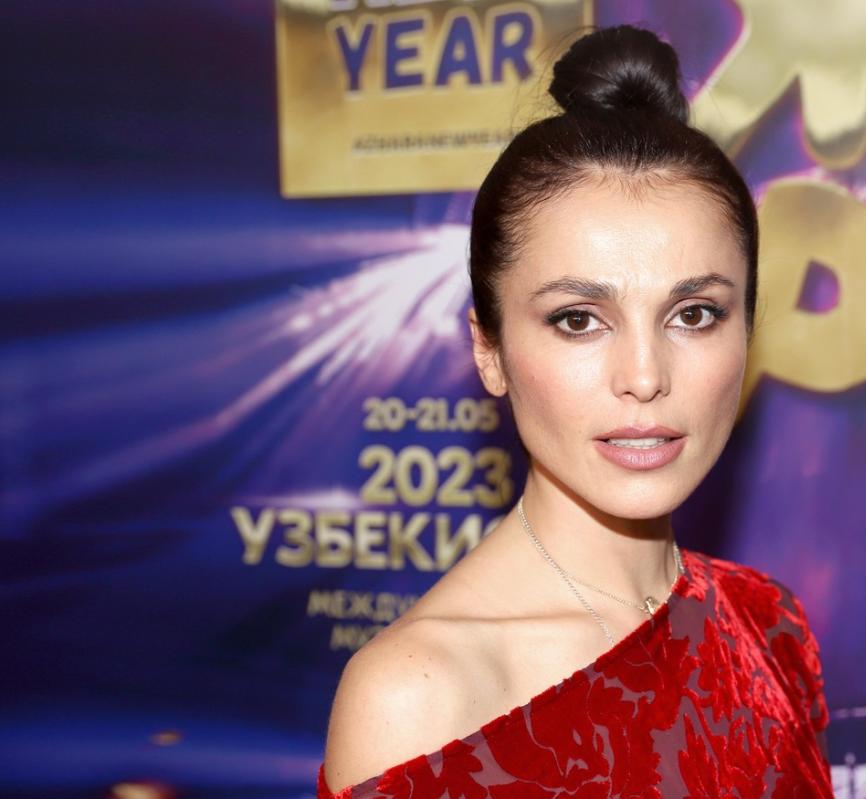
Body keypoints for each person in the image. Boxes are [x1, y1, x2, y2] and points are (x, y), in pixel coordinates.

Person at [318, 23, 832, 799]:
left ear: (748, 332)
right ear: (489, 349)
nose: (644, 376)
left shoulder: (770, 625)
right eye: (578, 319)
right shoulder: (418, 697)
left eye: (694, 314)